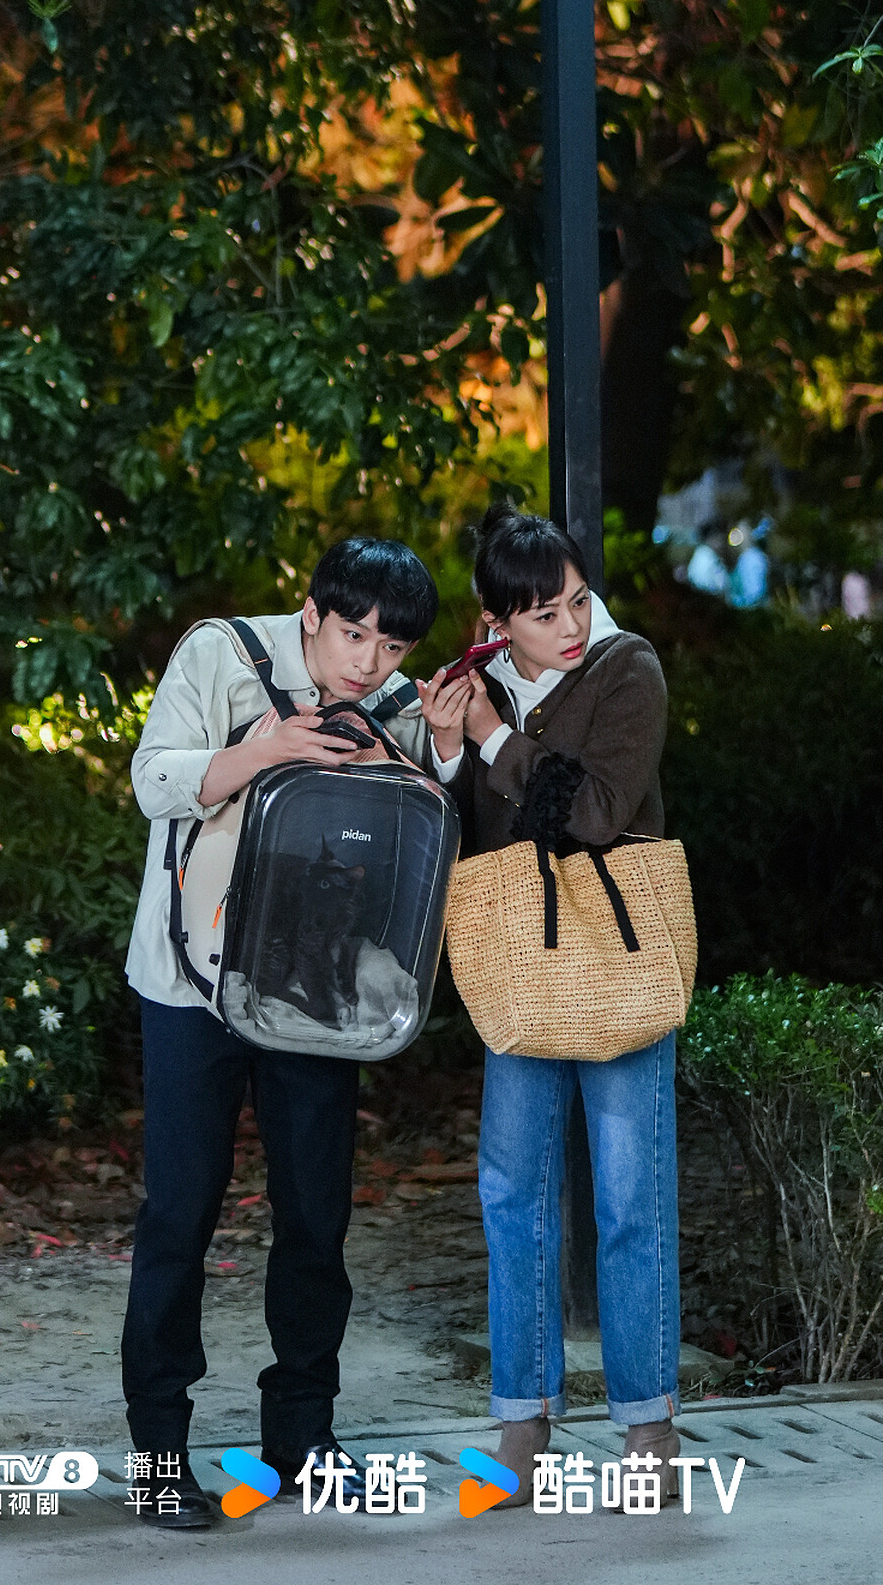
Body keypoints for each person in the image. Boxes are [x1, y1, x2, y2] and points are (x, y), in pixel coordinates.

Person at [121, 536, 461, 1528]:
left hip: (315, 995)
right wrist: (266, 751)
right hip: (189, 986)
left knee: (317, 1217)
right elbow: (152, 782)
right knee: (180, 1215)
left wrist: (426, 755)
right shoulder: (221, 653)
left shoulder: (395, 704)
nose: (368, 662)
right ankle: (160, 1453)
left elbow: (429, 839)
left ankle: (303, 1437)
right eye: (353, 634)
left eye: (391, 647)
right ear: (312, 613)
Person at [419, 505, 680, 1509]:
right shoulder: (477, 688)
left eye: (575, 600)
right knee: (511, 1195)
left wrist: (495, 738)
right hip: (518, 964)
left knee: (629, 1199)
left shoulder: (625, 668)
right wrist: (452, 748)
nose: (568, 625)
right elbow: (467, 838)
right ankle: (522, 1426)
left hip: (616, 956)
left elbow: (598, 814)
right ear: (497, 620)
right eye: (541, 614)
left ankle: (648, 1432)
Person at [685, 522, 728, 596]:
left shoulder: (707, 555)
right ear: (710, 538)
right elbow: (703, 585)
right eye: (719, 539)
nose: (721, 543)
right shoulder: (704, 557)